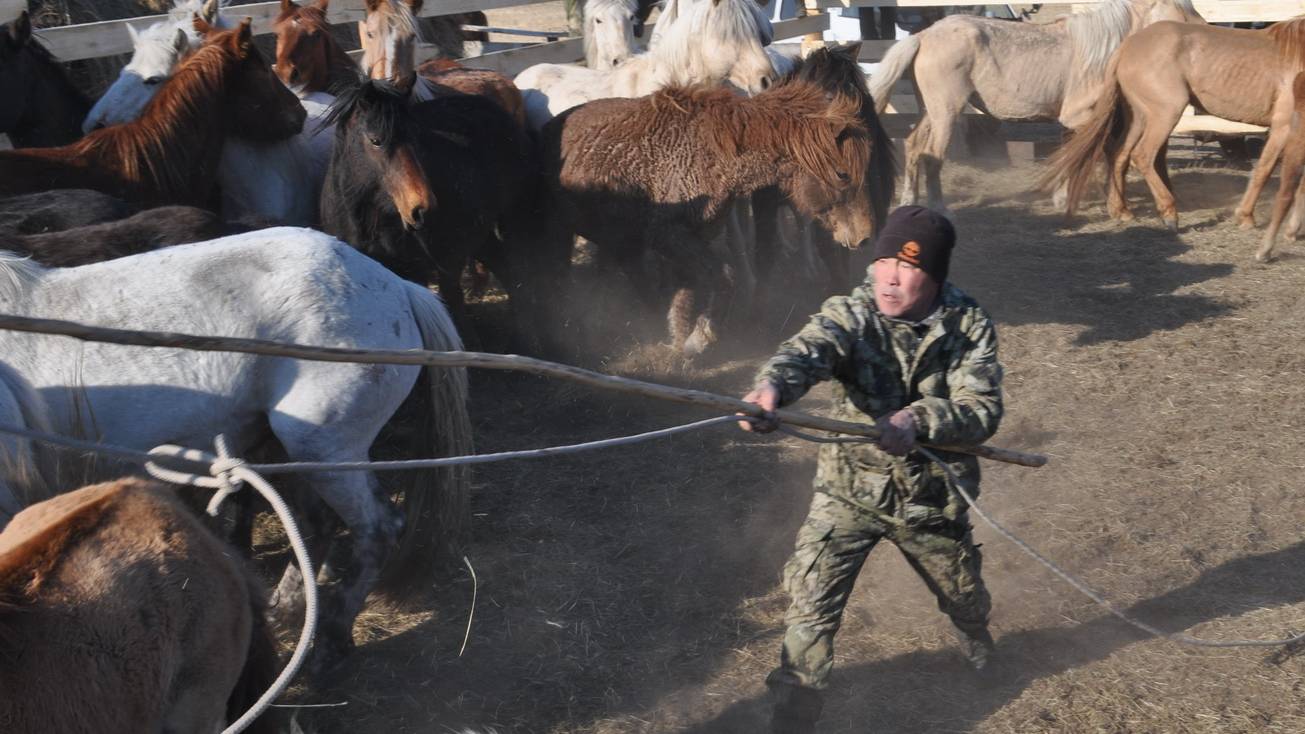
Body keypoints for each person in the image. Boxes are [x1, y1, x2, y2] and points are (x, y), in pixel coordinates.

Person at [739, 205, 1004, 734]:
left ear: (934, 274)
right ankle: (792, 719)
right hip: (849, 492)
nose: (890, 276)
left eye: (907, 266)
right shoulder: (852, 312)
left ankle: (978, 643)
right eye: (884, 261)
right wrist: (772, 388)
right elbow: (808, 349)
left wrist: (920, 418)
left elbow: (983, 410)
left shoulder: (968, 324)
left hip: (931, 499)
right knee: (811, 605)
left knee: (963, 595)